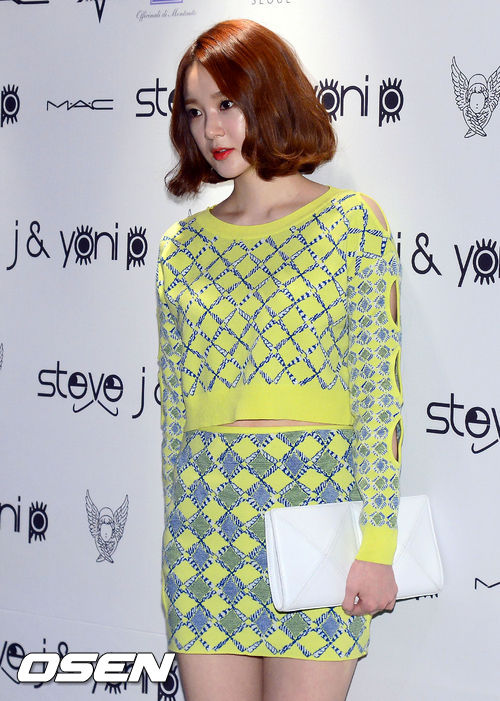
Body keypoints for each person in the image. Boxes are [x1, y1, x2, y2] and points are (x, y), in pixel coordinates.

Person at [157, 18, 403, 701]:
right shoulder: (180, 249)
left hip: (318, 515)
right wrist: (176, 547)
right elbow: (175, 426)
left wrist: (378, 543)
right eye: (194, 111)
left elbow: (379, 395)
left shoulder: (354, 224)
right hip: (206, 531)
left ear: (271, 96)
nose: (212, 129)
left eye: (227, 103)